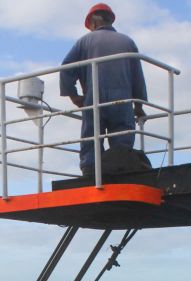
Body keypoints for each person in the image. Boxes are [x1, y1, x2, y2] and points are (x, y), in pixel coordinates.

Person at [60, 3, 147, 175]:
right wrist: (138, 107)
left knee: (92, 135)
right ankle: (122, 167)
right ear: (110, 20)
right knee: (122, 135)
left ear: (92, 23)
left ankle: (90, 170)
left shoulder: (84, 42)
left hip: (94, 98)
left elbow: (66, 69)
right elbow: (137, 77)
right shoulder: (127, 42)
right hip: (123, 101)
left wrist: (74, 96)